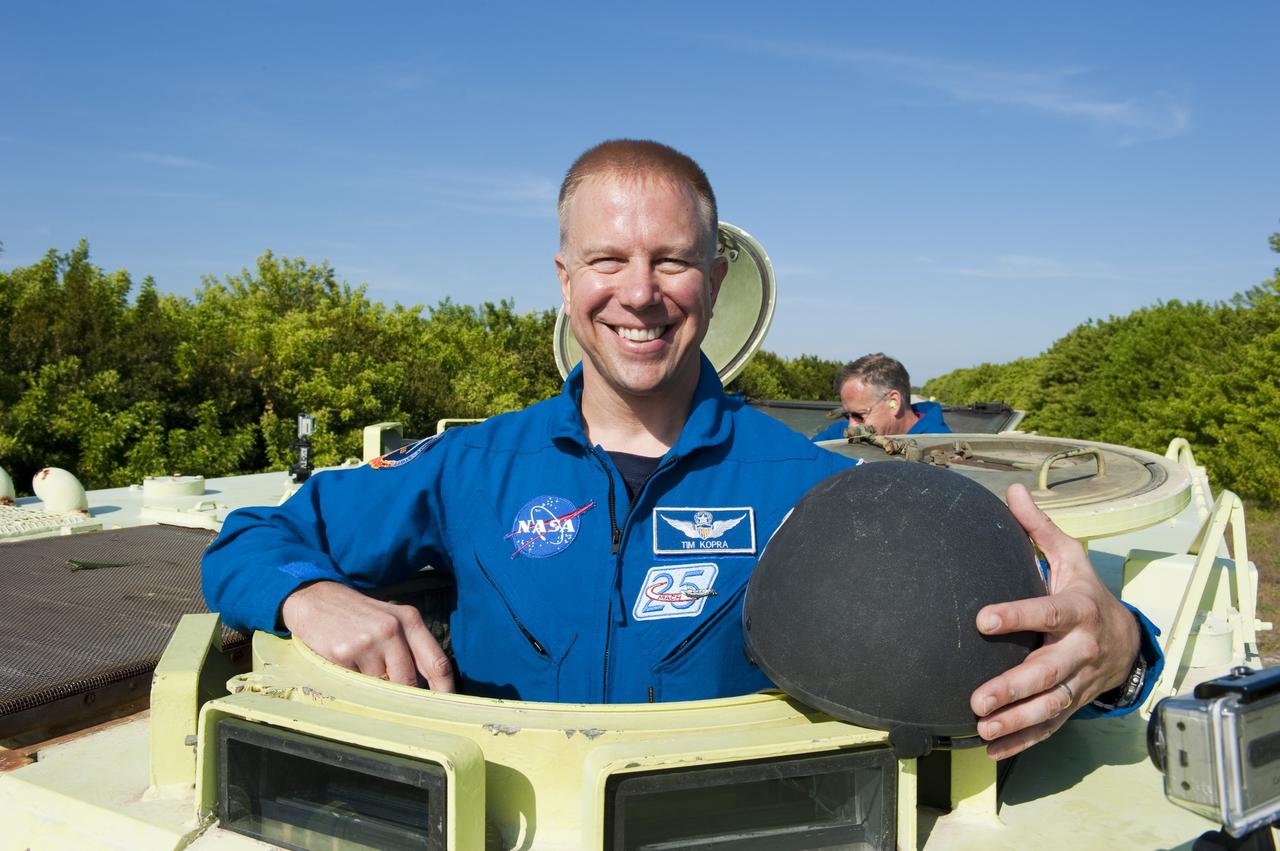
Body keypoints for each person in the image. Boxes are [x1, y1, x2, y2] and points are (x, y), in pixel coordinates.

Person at [202, 139, 1156, 760]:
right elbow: (245, 535)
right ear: (565, 276)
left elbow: (1045, 624)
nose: (640, 292)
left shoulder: (822, 488)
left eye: (671, 259)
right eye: (608, 261)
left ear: (715, 275)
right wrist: (308, 593)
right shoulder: (472, 465)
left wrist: (1118, 648)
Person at [811, 353, 951, 441]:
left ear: (893, 402)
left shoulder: (940, 449)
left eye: (859, 415)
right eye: (847, 415)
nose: (851, 426)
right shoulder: (837, 434)